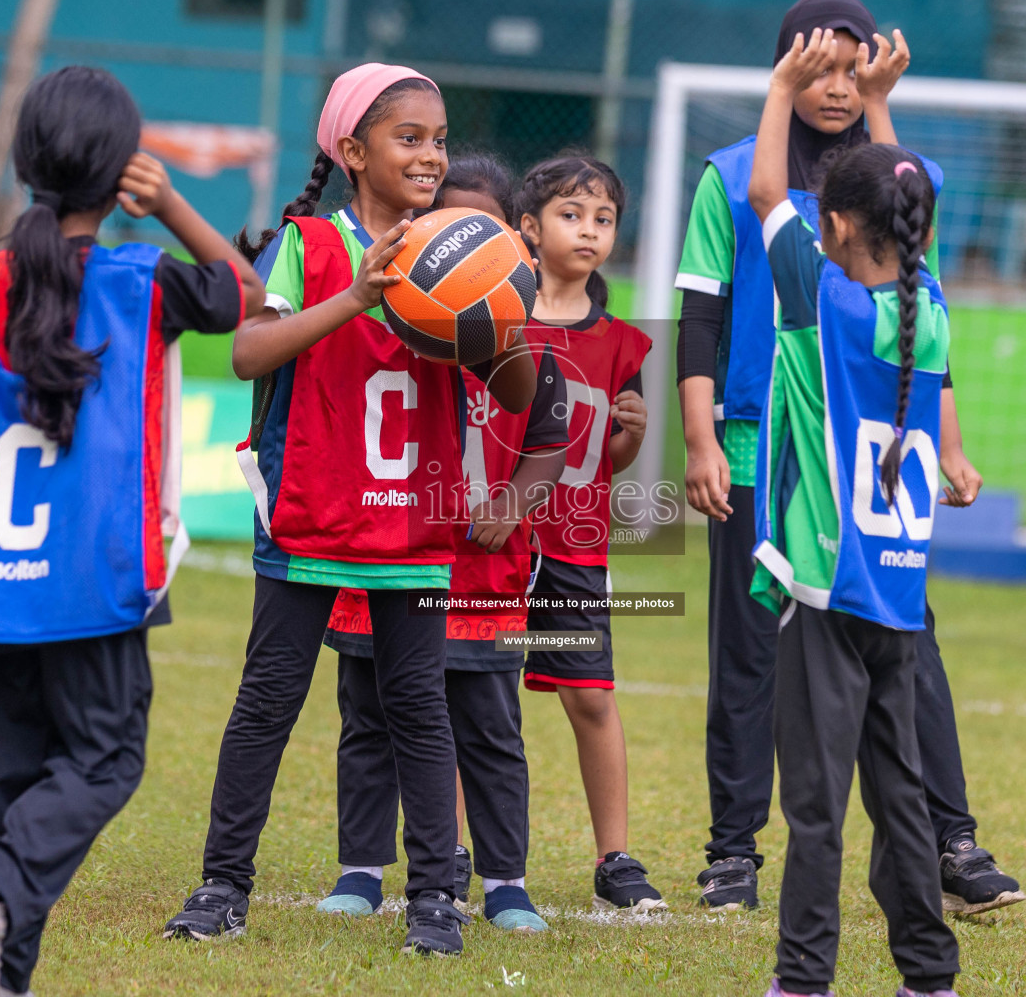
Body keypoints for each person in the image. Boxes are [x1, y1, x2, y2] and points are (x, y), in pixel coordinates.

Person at [162, 64, 536, 957]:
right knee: (268, 703)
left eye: (439, 140)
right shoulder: (308, 243)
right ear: (353, 150)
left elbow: (518, 391)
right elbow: (250, 352)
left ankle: (436, 898)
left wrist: (496, 320)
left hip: (412, 526)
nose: (430, 154)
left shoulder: (456, 246)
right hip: (312, 511)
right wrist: (360, 297)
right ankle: (222, 884)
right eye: (410, 138)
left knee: (419, 707)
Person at [0, 66, 262, 997]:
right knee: (104, 762)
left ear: (26, 163)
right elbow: (245, 296)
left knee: (11, 795)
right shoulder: (138, 282)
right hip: (95, 581)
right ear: (121, 176)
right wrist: (175, 202)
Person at [675, 0, 1021, 914]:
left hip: (872, 461)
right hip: (762, 451)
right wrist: (701, 436)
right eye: (816, 67)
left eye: (850, 68)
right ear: (785, 66)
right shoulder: (734, 175)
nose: (836, 86)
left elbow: (924, 324)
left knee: (909, 653)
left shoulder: (901, 188)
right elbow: (701, 314)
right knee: (748, 655)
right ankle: (733, 852)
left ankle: (953, 843)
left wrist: (947, 445)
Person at [749, 29, 961, 997]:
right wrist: (877, 107)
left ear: (832, 225)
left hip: (828, 592)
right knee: (902, 799)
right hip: (900, 598)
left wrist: (780, 89)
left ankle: (802, 980)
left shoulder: (823, 305)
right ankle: (929, 973)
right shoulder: (932, 304)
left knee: (818, 807)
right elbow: (898, 189)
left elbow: (763, 195)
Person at [317, 155, 567, 933]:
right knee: (369, 719)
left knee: (490, 731)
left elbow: (548, 439)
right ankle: (361, 868)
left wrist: (513, 500)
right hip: (384, 562)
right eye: (441, 230)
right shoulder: (388, 333)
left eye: (477, 232)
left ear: (511, 241)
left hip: (481, 576)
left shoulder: (518, 342)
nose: (455, 248)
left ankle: (505, 882)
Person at [515, 154, 662, 911]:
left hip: (573, 546)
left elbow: (612, 460)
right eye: (573, 214)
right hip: (493, 545)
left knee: (592, 700)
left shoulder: (624, 345)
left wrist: (630, 439)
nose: (590, 230)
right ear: (529, 229)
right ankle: (459, 846)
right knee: (474, 697)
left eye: (604, 218)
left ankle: (616, 857)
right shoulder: (488, 325)